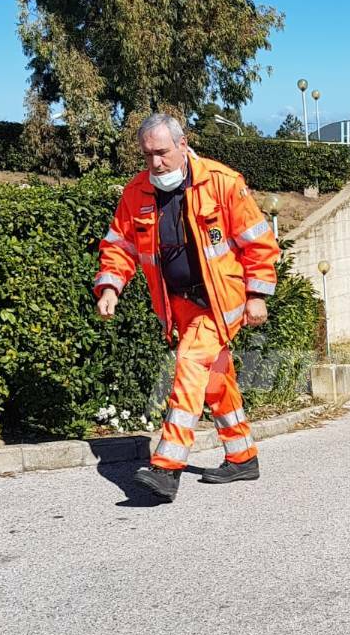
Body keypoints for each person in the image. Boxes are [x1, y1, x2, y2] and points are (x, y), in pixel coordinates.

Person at [94, 113, 279, 501]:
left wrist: (257, 295)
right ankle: (242, 456)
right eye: (147, 155)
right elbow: (119, 246)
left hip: (219, 302)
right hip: (177, 306)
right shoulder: (136, 193)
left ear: (182, 144)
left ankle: (168, 466)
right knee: (214, 381)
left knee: (190, 366)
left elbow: (258, 244)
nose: (155, 163)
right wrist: (110, 286)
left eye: (161, 153)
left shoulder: (223, 183)